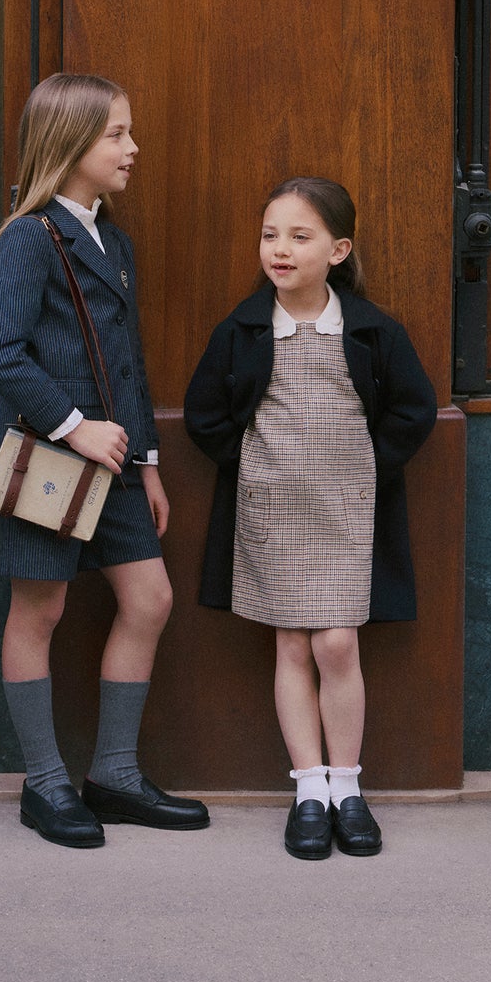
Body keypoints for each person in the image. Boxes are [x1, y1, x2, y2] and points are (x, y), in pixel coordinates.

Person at [0, 71, 209, 848]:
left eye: (128, 131)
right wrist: (76, 427)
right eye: (116, 133)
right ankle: (45, 784)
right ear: (70, 143)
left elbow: (127, 363)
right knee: (39, 610)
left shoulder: (113, 237)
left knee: (150, 599)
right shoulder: (29, 236)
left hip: (115, 463)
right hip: (48, 458)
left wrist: (148, 461)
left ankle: (112, 775)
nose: (132, 147)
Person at [183, 176, 437, 861]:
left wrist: (367, 466)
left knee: (337, 645)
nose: (281, 249)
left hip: (346, 513)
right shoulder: (242, 330)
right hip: (273, 512)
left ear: (338, 249)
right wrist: (253, 466)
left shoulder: (372, 331)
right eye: (271, 234)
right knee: (292, 645)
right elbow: (205, 414)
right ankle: (309, 792)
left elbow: (414, 409)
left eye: (300, 236)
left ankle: (348, 785)